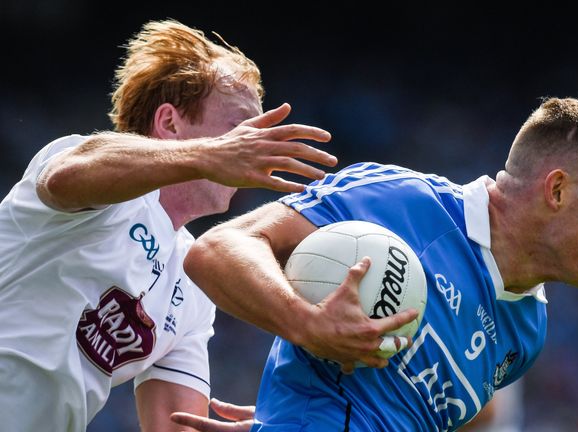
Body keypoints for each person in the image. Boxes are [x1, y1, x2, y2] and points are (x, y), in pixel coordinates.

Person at [179, 97, 578, 431]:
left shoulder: (528, 331)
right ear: (558, 190)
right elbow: (218, 248)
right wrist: (307, 325)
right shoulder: (399, 200)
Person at [0, 19, 340, 432]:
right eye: (239, 129)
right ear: (170, 123)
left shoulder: (194, 279)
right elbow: (64, 179)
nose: (256, 147)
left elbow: (176, 425)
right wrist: (208, 154)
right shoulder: (85, 160)